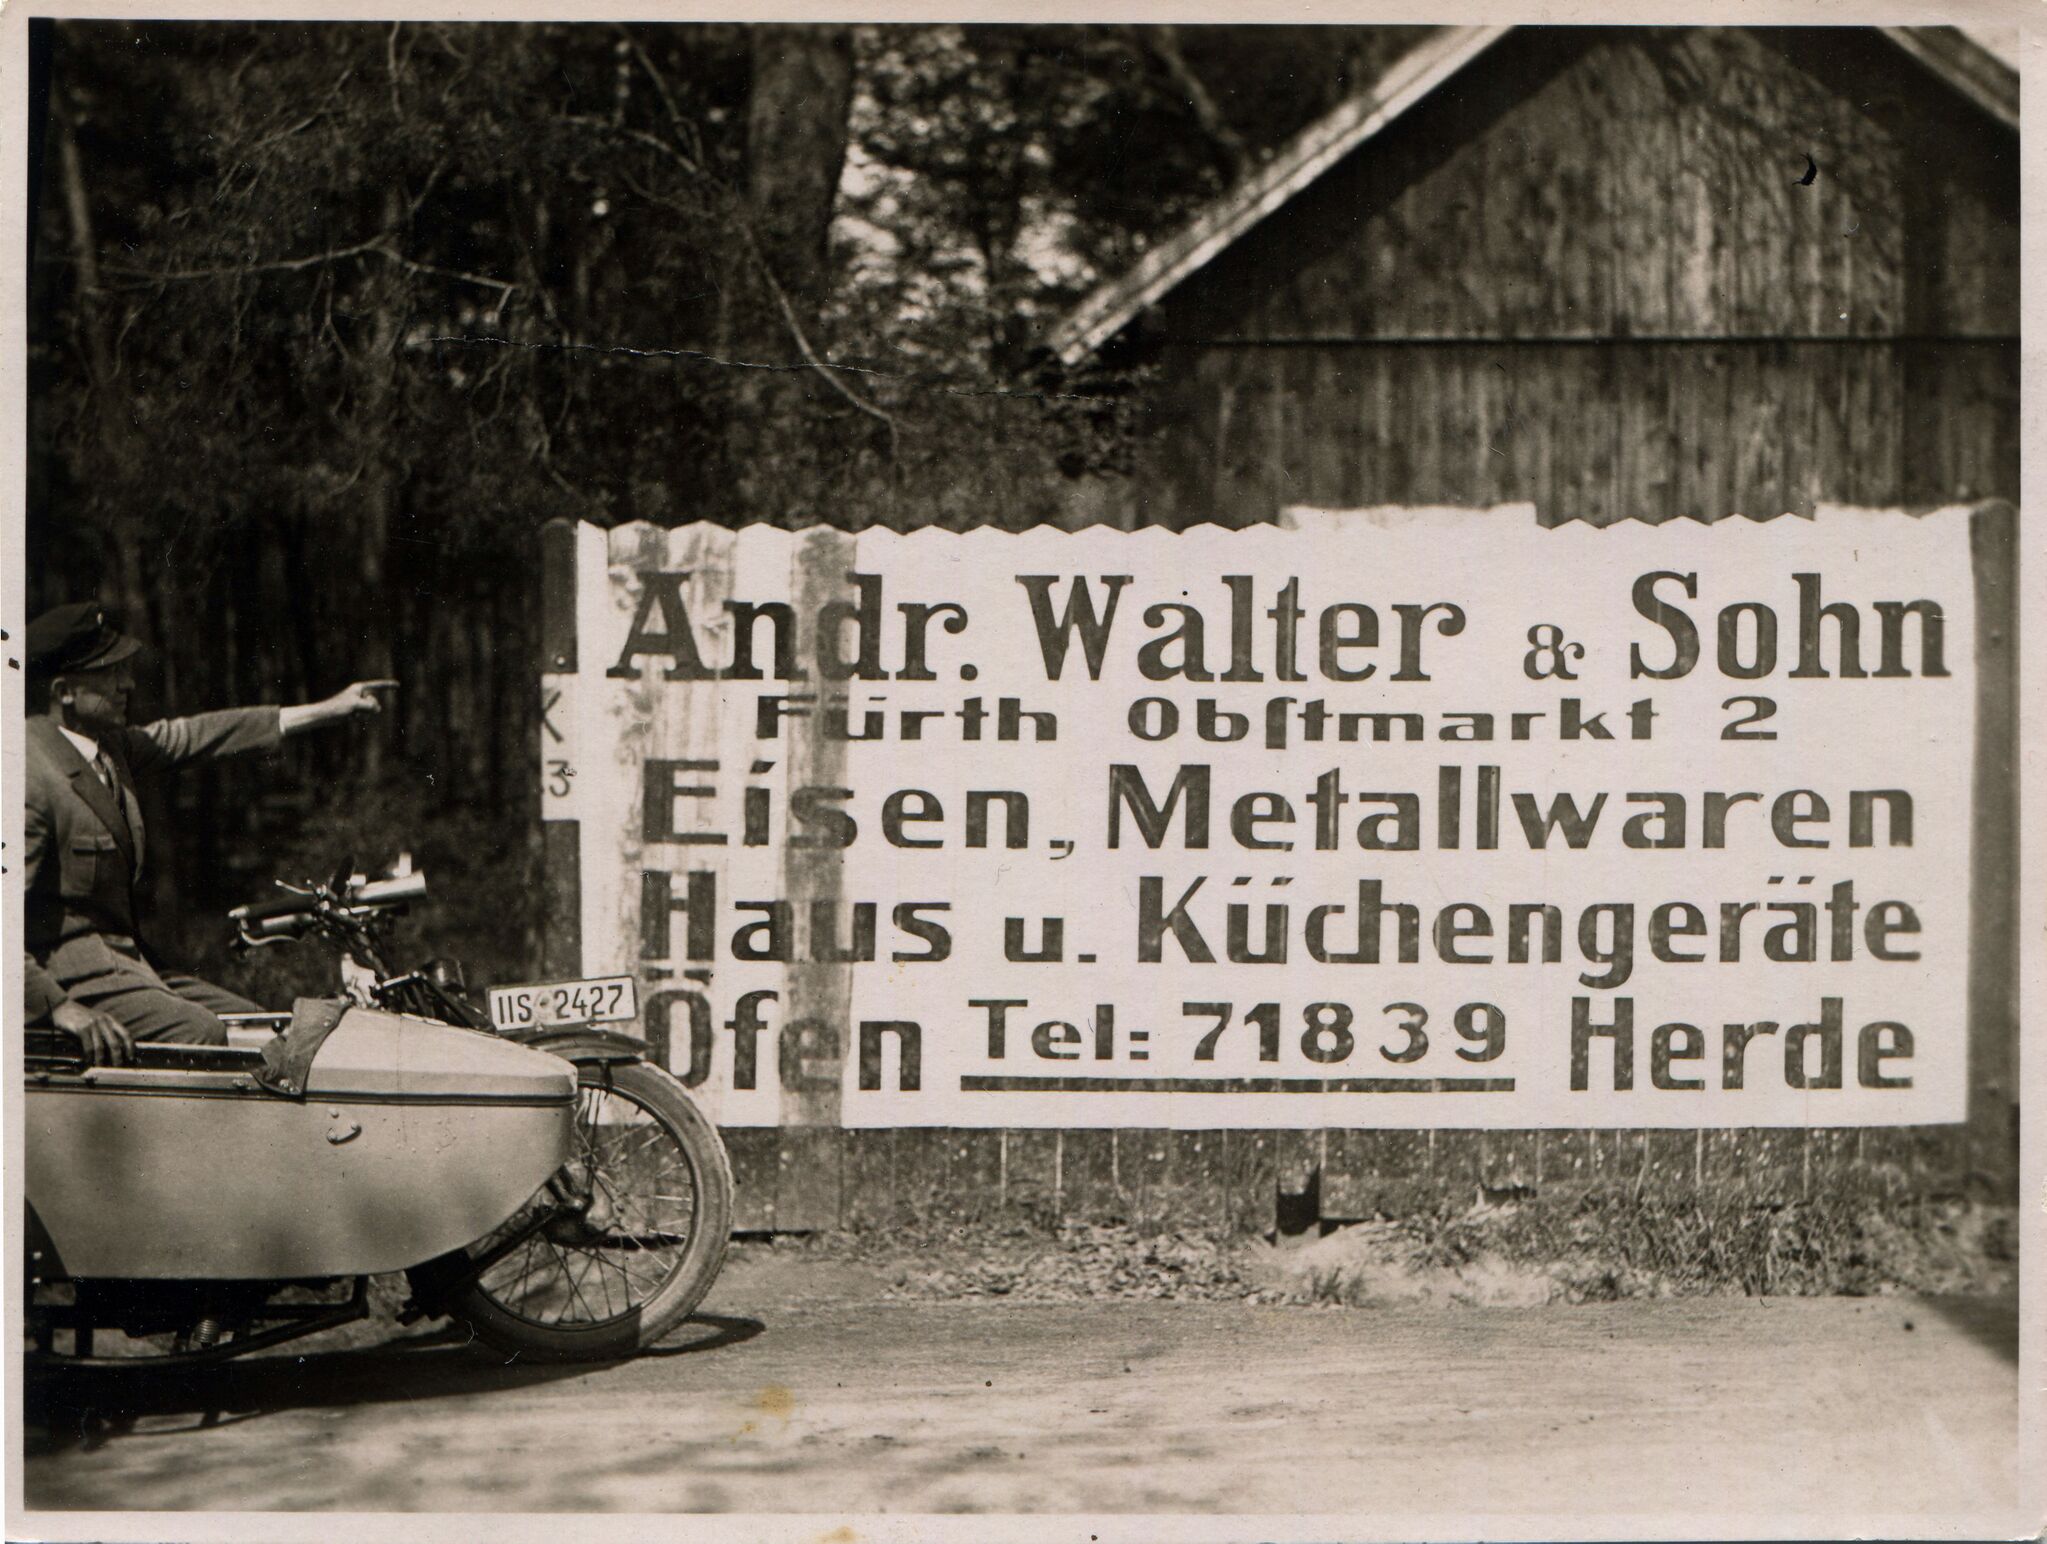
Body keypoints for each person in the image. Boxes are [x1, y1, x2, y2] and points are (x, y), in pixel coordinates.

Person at [22, 601, 396, 1064]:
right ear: (64, 692)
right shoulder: (29, 774)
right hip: (67, 978)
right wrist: (58, 1007)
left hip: (125, 965)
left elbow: (200, 734)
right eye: (109, 674)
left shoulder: (107, 749)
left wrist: (329, 709)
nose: (127, 684)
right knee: (199, 1032)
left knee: (262, 1027)